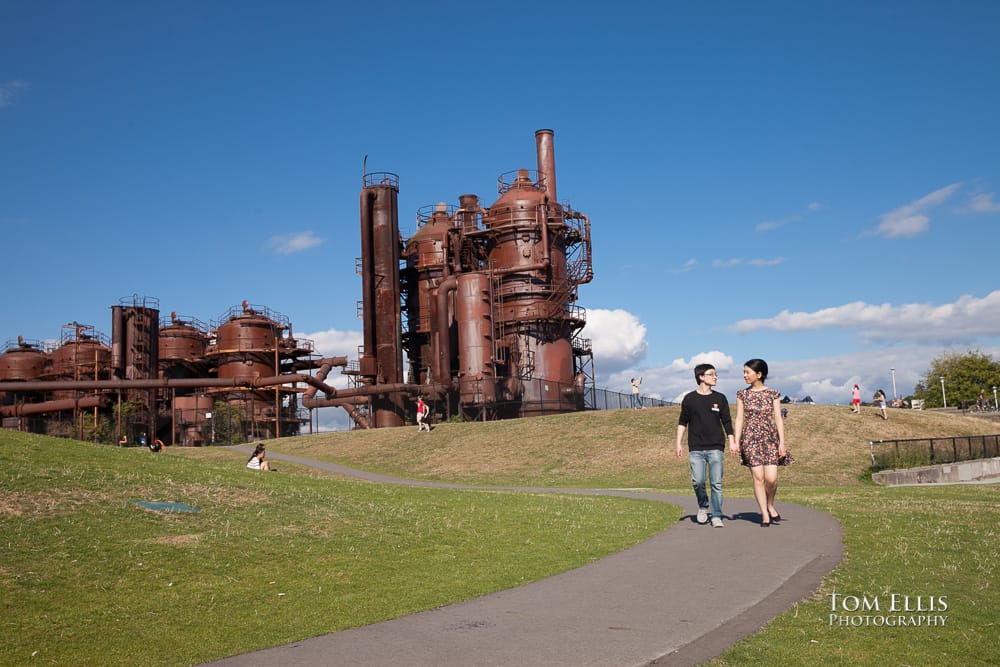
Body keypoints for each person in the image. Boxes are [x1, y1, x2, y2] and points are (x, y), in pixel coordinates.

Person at [675, 363, 735, 528]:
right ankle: (703, 506)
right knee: (698, 481)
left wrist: (732, 441)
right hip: (696, 447)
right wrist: (678, 443)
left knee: (716, 483)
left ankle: (716, 515)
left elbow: (727, 422)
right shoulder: (689, 399)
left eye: (716, 374)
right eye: (711, 374)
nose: (715, 377)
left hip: (716, 446)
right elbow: (682, 422)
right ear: (701, 377)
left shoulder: (720, 398)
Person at [735, 358, 792, 527]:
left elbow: (778, 419)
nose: (744, 375)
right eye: (744, 372)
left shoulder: (773, 393)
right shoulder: (742, 394)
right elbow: (739, 419)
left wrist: (782, 443)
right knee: (758, 478)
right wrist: (736, 442)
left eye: (747, 372)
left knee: (771, 479)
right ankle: (765, 514)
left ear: (759, 374)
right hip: (750, 438)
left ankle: (770, 504)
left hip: (770, 438)